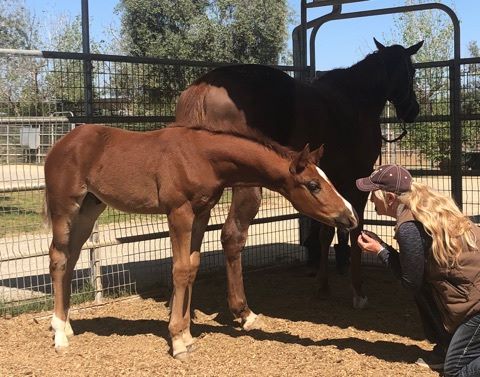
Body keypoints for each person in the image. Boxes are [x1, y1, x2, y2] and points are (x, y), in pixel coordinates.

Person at [355, 164, 480, 376]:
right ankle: (445, 346)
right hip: (472, 295)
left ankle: (448, 349)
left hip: (476, 308)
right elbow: (417, 275)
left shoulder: (409, 226)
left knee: (457, 371)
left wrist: (379, 251)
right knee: (426, 287)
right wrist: (383, 248)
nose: (370, 200)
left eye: (372, 195)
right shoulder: (426, 207)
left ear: (390, 199)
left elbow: (410, 282)